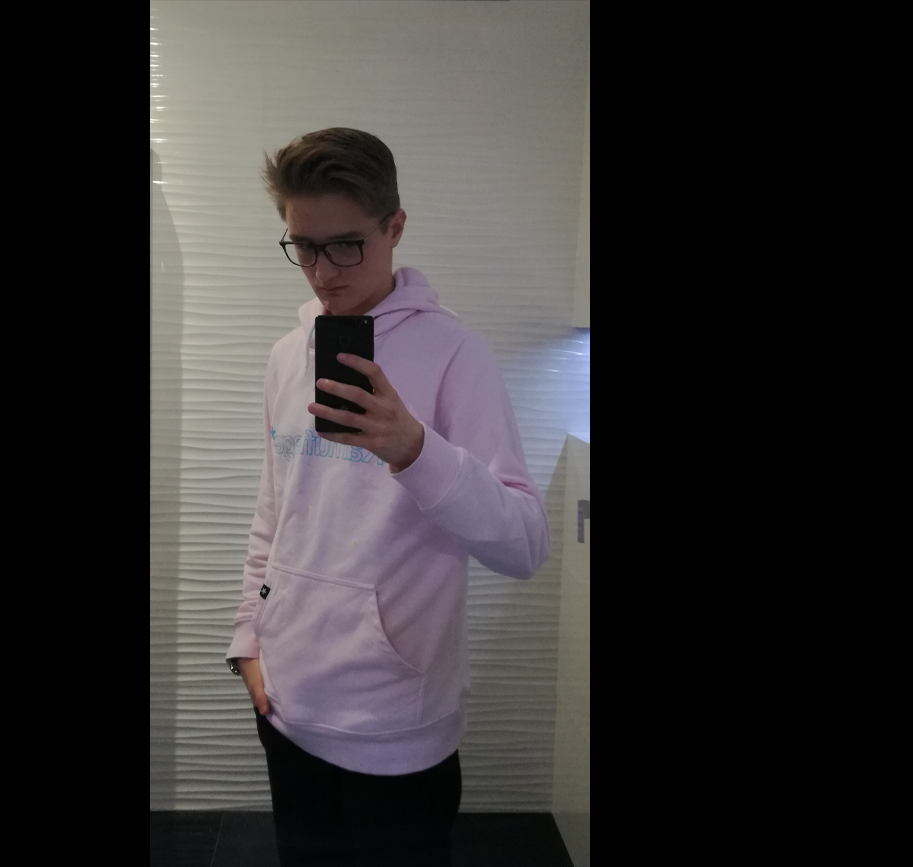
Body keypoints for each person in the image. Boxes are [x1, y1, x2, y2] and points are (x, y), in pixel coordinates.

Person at [225, 127, 551, 867]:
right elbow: (274, 513)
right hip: (286, 704)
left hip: (397, 727)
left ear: (395, 226)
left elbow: (525, 544)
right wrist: (249, 639)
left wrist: (414, 450)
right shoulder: (287, 355)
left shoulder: (456, 353)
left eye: (346, 245)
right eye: (304, 246)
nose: (322, 271)